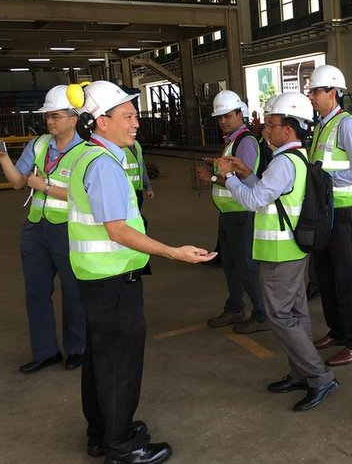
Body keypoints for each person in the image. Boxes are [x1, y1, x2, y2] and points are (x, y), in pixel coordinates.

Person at [67, 80, 216, 463]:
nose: (136, 123)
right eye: (128, 115)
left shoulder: (87, 154)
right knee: (119, 363)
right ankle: (121, 446)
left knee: (101, 359)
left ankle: (102, 433)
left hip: (95, 277)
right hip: (113, 279)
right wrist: (173, 252)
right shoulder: (103, 165)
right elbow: (117, 230)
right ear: (101, 121)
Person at [216, 91, 339, 411]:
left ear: (289, 129)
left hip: (279, 253)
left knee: (280, 316)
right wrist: (247, 173)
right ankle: (301, 372)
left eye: (271, 125)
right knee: (296, 312)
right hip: (291, 250)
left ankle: (319, 376)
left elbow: (254, 201)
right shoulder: (292, 159)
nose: (265, 130)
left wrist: (227, 177)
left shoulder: (284, 161)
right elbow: (269, 193)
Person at [0, 85, 86, 373]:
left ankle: (77, 349)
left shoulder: (86, 152)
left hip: (67, 230)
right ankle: (45, 352)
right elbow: (19, 183)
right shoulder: (38, 145)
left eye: (55, 116)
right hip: (35, 228)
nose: (50, 121)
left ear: (73, 118)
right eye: (47, 117)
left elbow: (84, 195)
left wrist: (44, 186)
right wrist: (4, 158)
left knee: (73, 292)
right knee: (36, 291)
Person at [307, 64, 352, 366]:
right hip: (325, 212)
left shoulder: (347, 125)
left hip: (344, 212)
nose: (312, 97)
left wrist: (324, 181)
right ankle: (337, 330)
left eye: (316, 91)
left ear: (333, 92)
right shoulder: (320, 126)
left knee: (348, 277)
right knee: (326, 275)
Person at [196, 90, 268, 334]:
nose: (222, 121)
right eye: (219, 117)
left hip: (242, 213)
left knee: (246, 267)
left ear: (240, 114)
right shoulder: (232, 140)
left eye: (227, 116)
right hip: (229, 214)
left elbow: (239, 177)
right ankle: (235, 307)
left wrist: (211, 176)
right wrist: (215, 163)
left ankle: (261, 314)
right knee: (231, 265)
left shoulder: (245, 141)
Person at [124, 139, 154, 274]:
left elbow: (141, 165)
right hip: (124, 193)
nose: (134, 124)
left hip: (137, 191)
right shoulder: (115, 146)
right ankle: (136, 260)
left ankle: (139, 259)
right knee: (138, 224)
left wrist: (148, 186)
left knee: (137, 225)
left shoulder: (136, 144)